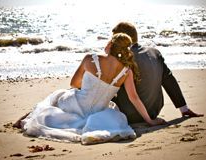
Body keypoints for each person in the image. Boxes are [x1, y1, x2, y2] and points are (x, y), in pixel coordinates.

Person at [13, 33, 165, 144]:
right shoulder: (126, 71)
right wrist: (150, 121)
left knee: (57, 96)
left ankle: (25, 118)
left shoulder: (90, 59)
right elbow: (134, 98)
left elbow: (74, 84)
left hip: (76, 104)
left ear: (110, 45)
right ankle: (27, 118)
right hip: (100, 111)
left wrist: (91, 84)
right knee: (59, 98)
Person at [111, 22, 204, 124]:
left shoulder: (120, 58)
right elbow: (169, 80)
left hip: (127, 115)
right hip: (153, 112)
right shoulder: (154, 53)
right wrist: (184, 108)